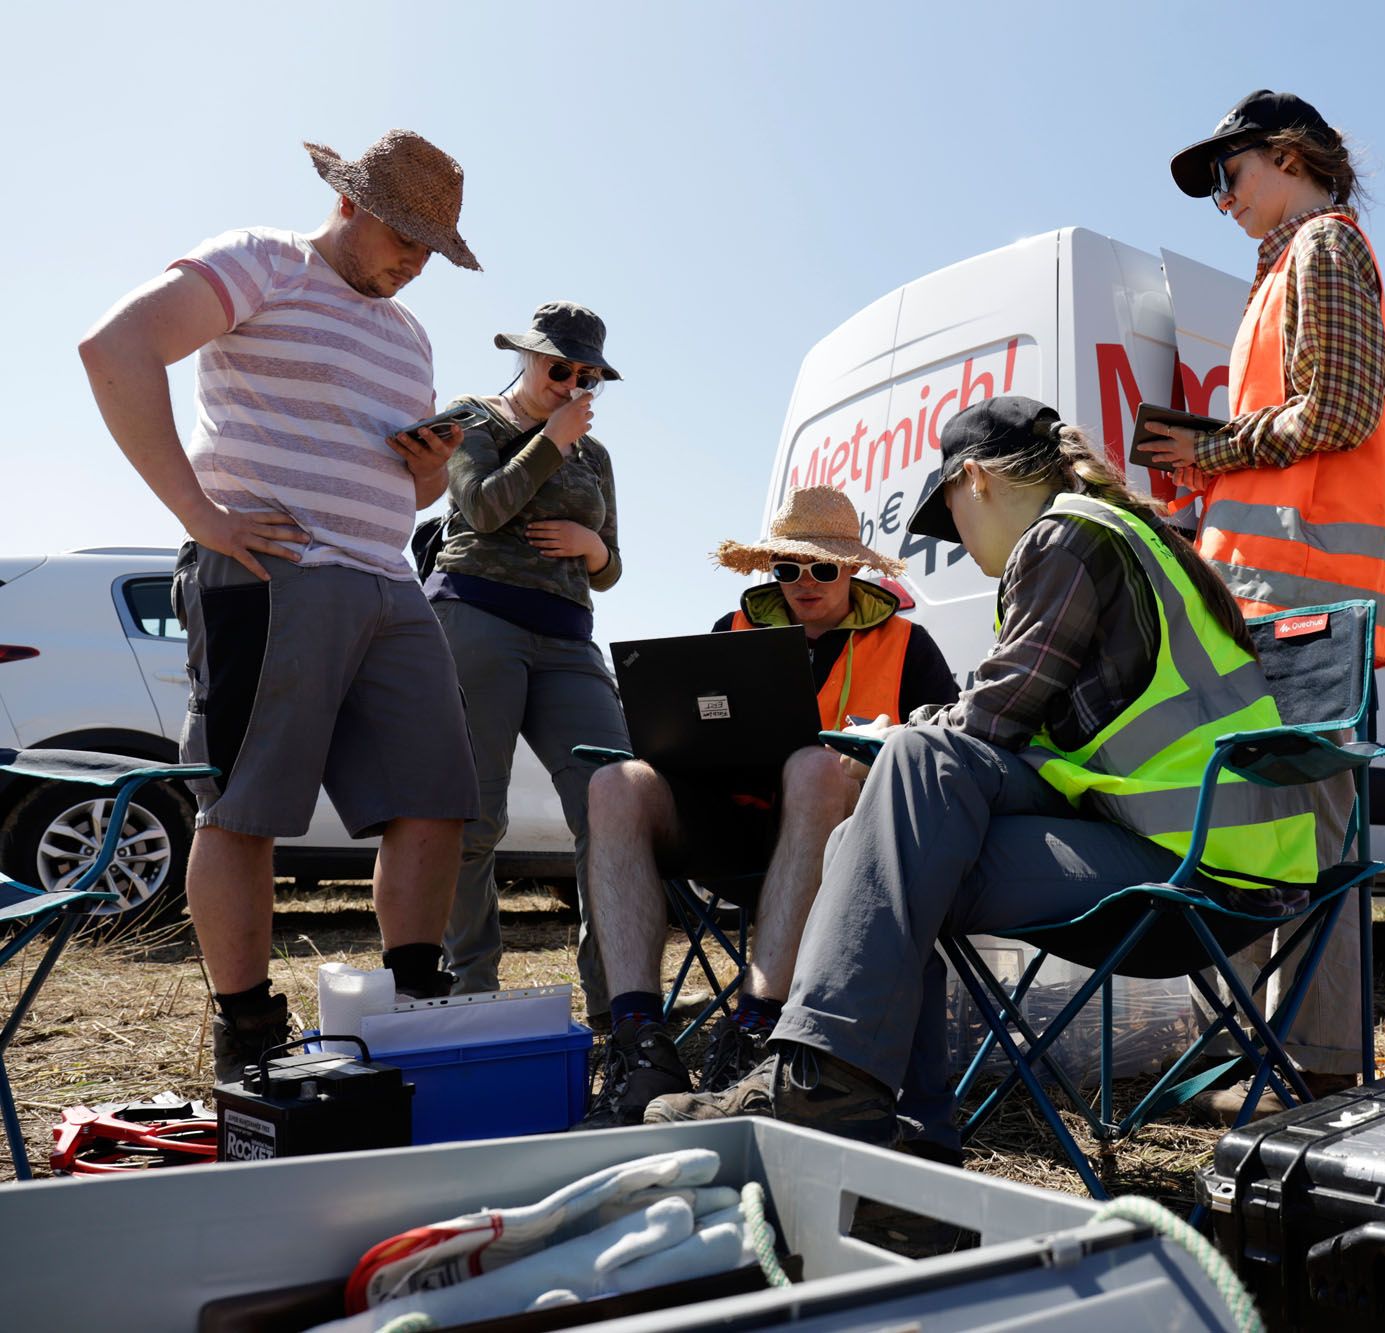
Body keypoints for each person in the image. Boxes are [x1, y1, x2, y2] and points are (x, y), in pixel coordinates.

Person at [671, 395, 1323, 1152]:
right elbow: (1022, 735)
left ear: (973, 479)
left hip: (1201, 870)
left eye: (949, 515)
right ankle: (886, 1122)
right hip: (1168, 838)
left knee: (904, 808)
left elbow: (990, 718)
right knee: (876, 833)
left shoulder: (1066, 540)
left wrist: (902, 733)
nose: (959, 545)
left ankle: (832, 1089)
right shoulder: (1113, 532)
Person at [76, 131, 484, 1082]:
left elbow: (406, 492)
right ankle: (248, 1027)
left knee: (434, 803)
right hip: (273, 574)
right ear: (349, 202)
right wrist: (197, 512)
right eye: (405, 236)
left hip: (391, 579)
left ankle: (412, 1011)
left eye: (433, 250)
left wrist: (428, 474)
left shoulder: (410, 333)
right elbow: (116, 346)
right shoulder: (263, 261)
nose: (414, 263)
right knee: (244, 808)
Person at [1143, 90, 1385, 1117]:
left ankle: (1317, 1067)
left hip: (1306, 592)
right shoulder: (1289, 266)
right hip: (1275, 590)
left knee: (1306, 829)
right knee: (1267, 823)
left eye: (1226, 174)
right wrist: (1203, 475)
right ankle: (1275, 1053)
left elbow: (1338, 408)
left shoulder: (1325, 248)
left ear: (1287, 155)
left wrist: (1209, 450)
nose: (1219, 201)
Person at [575, 486, 957, 1129]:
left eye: (823, 568)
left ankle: (756, 1024)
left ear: (854, 568)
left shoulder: (906, 645)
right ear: (769, 570)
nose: (804, 583)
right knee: (614, 782)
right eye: (788, 568)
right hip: (731, 825)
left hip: (841, 850)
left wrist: (873, 747)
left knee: (814, 767)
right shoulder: (733, 632)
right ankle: (640, 1043)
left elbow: (943, 747)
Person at [428, 303, 632, 1013]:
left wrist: (594, 546)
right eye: (560, 368)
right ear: (528, 358)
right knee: (474, 816)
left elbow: (609, 567)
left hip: (569, 635)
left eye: (587, 376)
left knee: (614, 800)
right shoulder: (471, 419)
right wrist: (548, 439)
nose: (573, 383)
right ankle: (472, 990)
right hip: (478, 615)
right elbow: (481, 508)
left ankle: (618, 1000)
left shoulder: (594, 454)